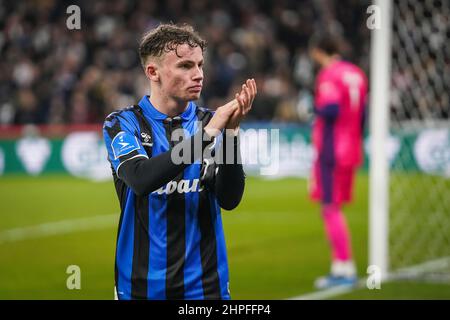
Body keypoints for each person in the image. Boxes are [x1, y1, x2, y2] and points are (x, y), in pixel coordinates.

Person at [102, 23, 257, 300]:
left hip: (206, 288)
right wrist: (208, 136)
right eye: (185, 66)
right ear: (153, 72)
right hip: (140, 289)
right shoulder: (123, 123)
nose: (198, 75)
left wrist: (231, 134)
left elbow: (229, 198)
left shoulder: (211, 122)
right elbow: (141, 179)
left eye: (200, 65)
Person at [308, 34, 368, 289]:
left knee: (330, 208)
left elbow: (331, 109)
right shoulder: (356, 73)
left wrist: (312, 109)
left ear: (319, 51)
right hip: (351, 146)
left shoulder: (329, 75)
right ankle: (341, 265)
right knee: (335, 207)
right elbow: (363, 114)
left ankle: (344, 267)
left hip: (332, 150)